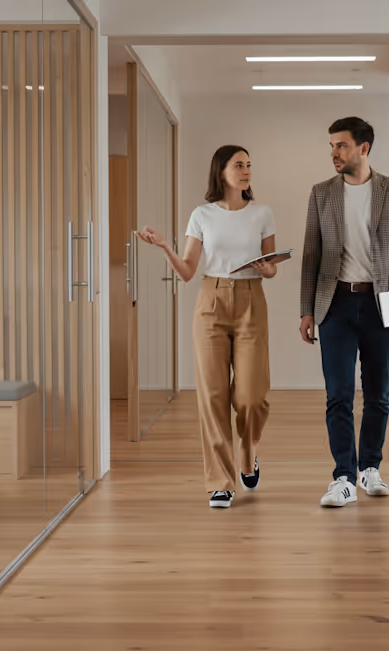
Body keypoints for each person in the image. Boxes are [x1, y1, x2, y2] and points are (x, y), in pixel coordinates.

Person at [137, 145, 278, 509]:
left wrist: (268, 269)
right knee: (212, 396)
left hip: (251, 299)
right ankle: (220, 480)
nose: (246, 171)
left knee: (251, 397)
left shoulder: (262, 213)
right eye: (239, 165)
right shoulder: (202, 215)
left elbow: (272, 265)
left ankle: (248, 454)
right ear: (221, 172)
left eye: (249, 164)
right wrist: (166, 247)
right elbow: (187, 272)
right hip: (210, 301)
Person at [299, 117, 389, 508]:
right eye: (332, 145)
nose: (334, 152)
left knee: (379, 394)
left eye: (341, 145)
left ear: (363, 148)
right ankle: (344, 478)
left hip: (380, 303)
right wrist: (306, 311)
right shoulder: (321, 193)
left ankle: (370, 468)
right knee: (338, 395)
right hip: (333, 303)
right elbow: (311, 255)